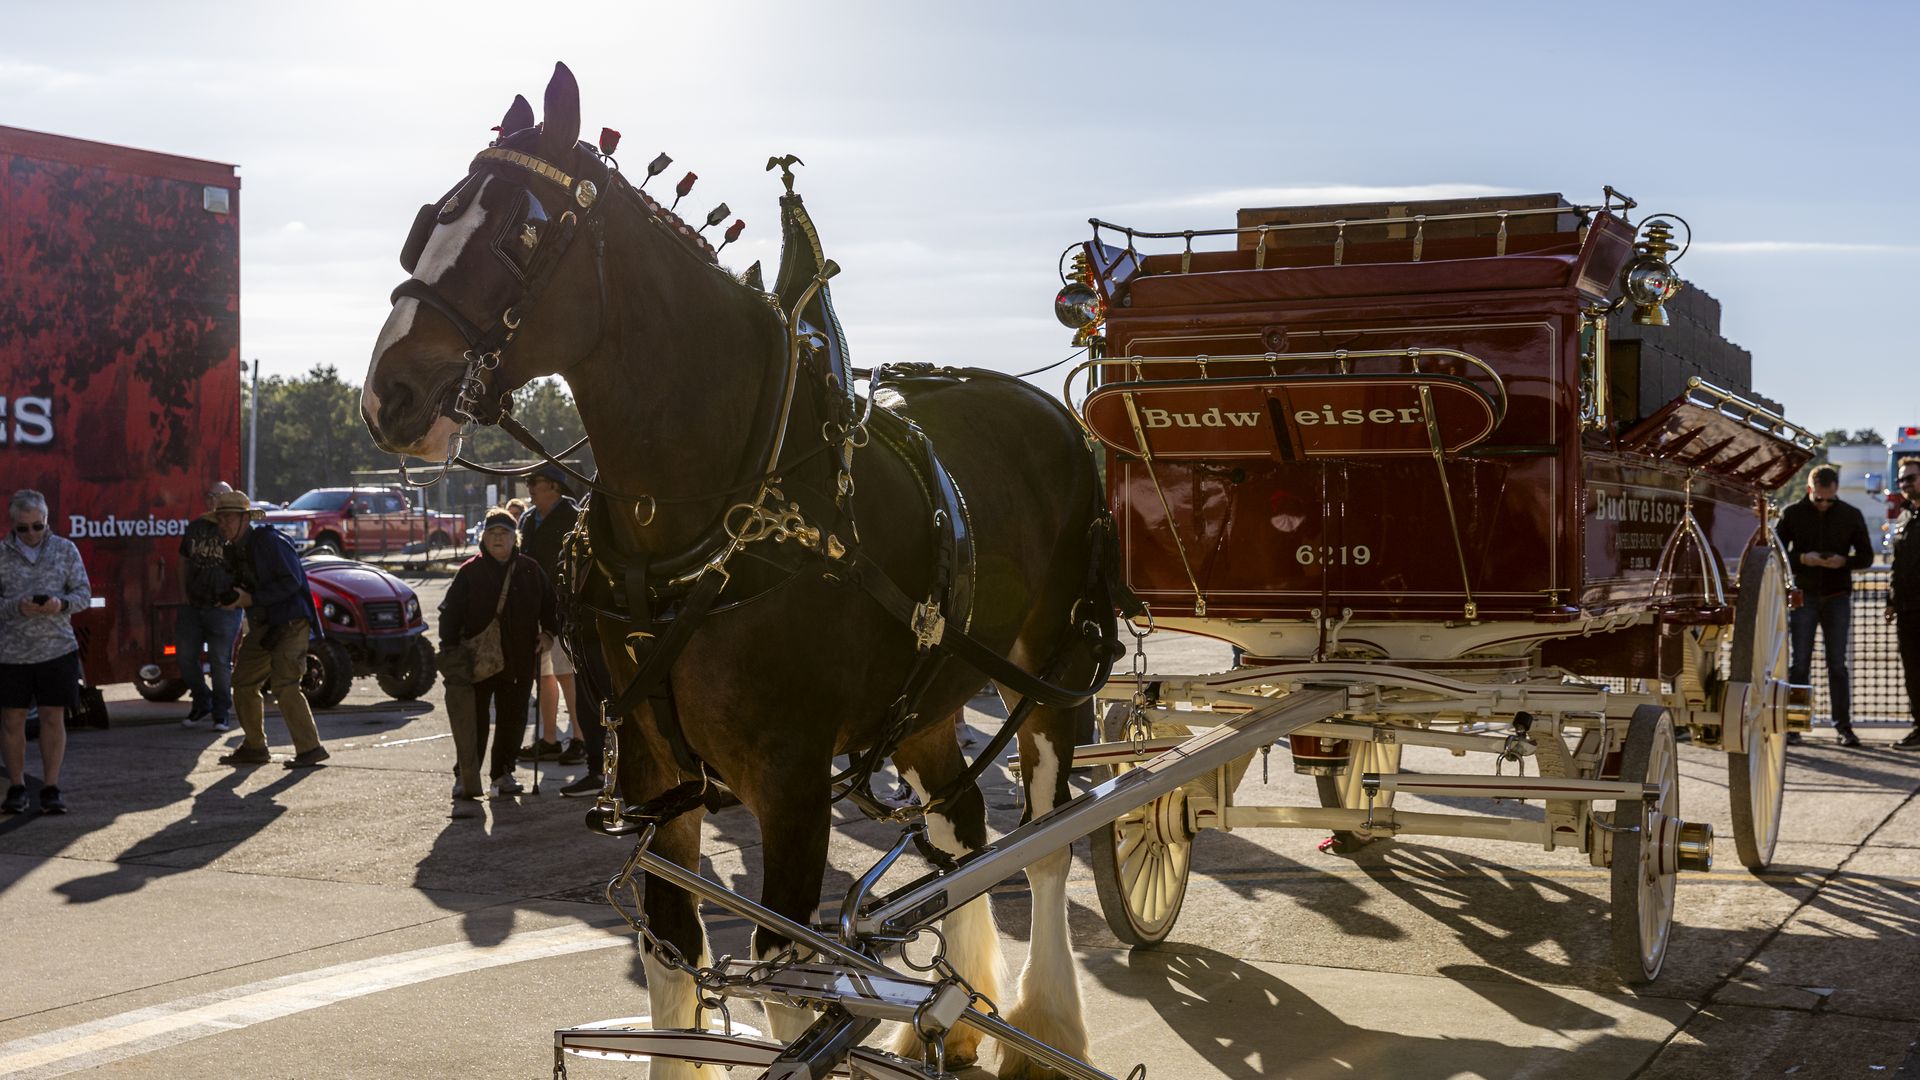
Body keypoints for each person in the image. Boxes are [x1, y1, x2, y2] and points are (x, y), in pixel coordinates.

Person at [441, 508, 557, 799]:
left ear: (515, 538)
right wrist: (450, 649)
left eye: (503, 533)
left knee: (514, 718)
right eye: (492, 533)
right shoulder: (470, 571)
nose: (497, 538)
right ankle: (465, 775)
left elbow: (551, 606)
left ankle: (503, 773)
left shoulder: (531, 569)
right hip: (477, 661)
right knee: (473, 720)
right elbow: (450, 613)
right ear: (483, 537)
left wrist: (548, 634)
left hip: (519, 660)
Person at [214, 491, 330, 769]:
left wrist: (251, 599)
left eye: (228, 518)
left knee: (285, 684)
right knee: (243, 683)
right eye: (220, 519)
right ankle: (254, 747)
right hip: (266, 626)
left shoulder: (269, 542)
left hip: (291, 624)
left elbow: (291, 583)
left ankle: (310, 749)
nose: (223, 524)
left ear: (245, 519)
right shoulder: (234, 550)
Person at [0, 490, 91, 814]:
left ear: (46, 521)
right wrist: (16, 607)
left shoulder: (65, 550)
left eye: (37, 526)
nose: (31, 534)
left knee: (53, 717)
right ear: (13, 525)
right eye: (23, 528)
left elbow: (83, 594)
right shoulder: (1, 553)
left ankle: (51, 787)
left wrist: (60, 604)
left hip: (57, 649)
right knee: (12, 720)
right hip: (12, 653)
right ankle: (17, 787)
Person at [1775, 464, 1875, 747]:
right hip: (1804, 596)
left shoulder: (1850, 515)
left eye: (1830, 499)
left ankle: (1843, 727)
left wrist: (1845, 562)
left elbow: (1866, 556)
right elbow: (1777, 553)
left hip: (1837, 597)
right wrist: (1804, 559)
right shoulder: (1792, 513)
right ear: (1810, 490)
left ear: (1836, 491)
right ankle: (1794, 725)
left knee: (1837, 665)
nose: (1824, 504)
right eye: (1819, 498)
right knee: (1799, 664)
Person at [516, 464, 601, 789]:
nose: (529, 487)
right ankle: (549, 738)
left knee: (568, 674)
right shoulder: (527, 519)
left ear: (553, 486)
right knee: (544, 675)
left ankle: (579, 737)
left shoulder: (572, 516)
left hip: (561, 609)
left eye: (534, 481)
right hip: (535, 609)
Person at [177, 481, 245, 733]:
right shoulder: (196, 527)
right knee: (185, 657)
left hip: (224, 609)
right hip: (193, 605)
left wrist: (237, 599)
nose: (213, 500)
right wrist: (183, 593)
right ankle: (201, 700)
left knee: (219, 661)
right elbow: (183, 561)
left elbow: (248, 566)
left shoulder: (235, 529)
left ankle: (221, 713)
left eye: (219, 496)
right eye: (210, 495)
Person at [1885, 457, 1920, 751]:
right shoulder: (1905, 518)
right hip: (1907, 611)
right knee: (1913, 674)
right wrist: (1891, 601)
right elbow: (1897, 564)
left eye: (1910, 478)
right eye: (1902, 480)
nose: (1905, 484)